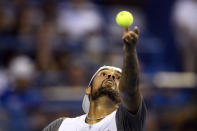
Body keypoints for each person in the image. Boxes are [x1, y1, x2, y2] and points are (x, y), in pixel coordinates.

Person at [43, 26, 146, 131]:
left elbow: (131, 91)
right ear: (88, 89)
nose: (111, 76)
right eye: (103, 74)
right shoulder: (61, 125)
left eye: (118, 77)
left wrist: (130, 52)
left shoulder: (125, 121)